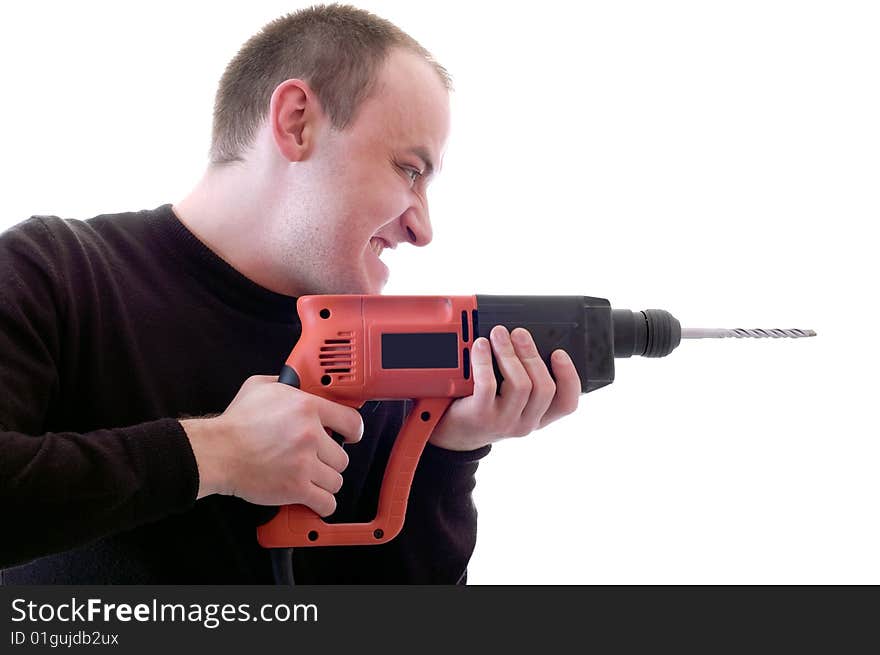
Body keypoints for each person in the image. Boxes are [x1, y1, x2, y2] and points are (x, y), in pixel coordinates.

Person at [0, 4, 581, 584]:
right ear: (297, 121)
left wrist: (449, 454)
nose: (422, 229)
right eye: (409, 169)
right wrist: (215, 453)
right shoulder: (52, 273)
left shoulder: (371, 355)